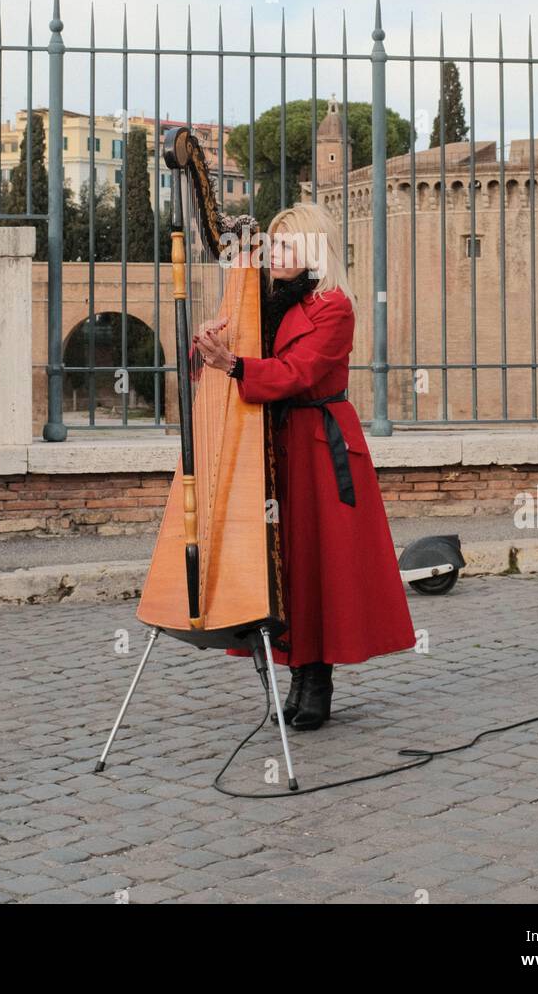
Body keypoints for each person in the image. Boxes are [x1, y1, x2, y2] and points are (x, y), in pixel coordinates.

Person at [194, 202, 416, 732]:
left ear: (315, 250)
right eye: (272, 245)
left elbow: (300, 372)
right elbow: (233, 363)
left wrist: (235, 364)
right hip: (268, 444)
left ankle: (317, 681)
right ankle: (292, 673)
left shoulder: (334, 307)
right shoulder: (258, 303)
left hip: (317, 444)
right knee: (283, 564)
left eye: (288, 245)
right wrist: (209, 345)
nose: (275, 254)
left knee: (319, 564)